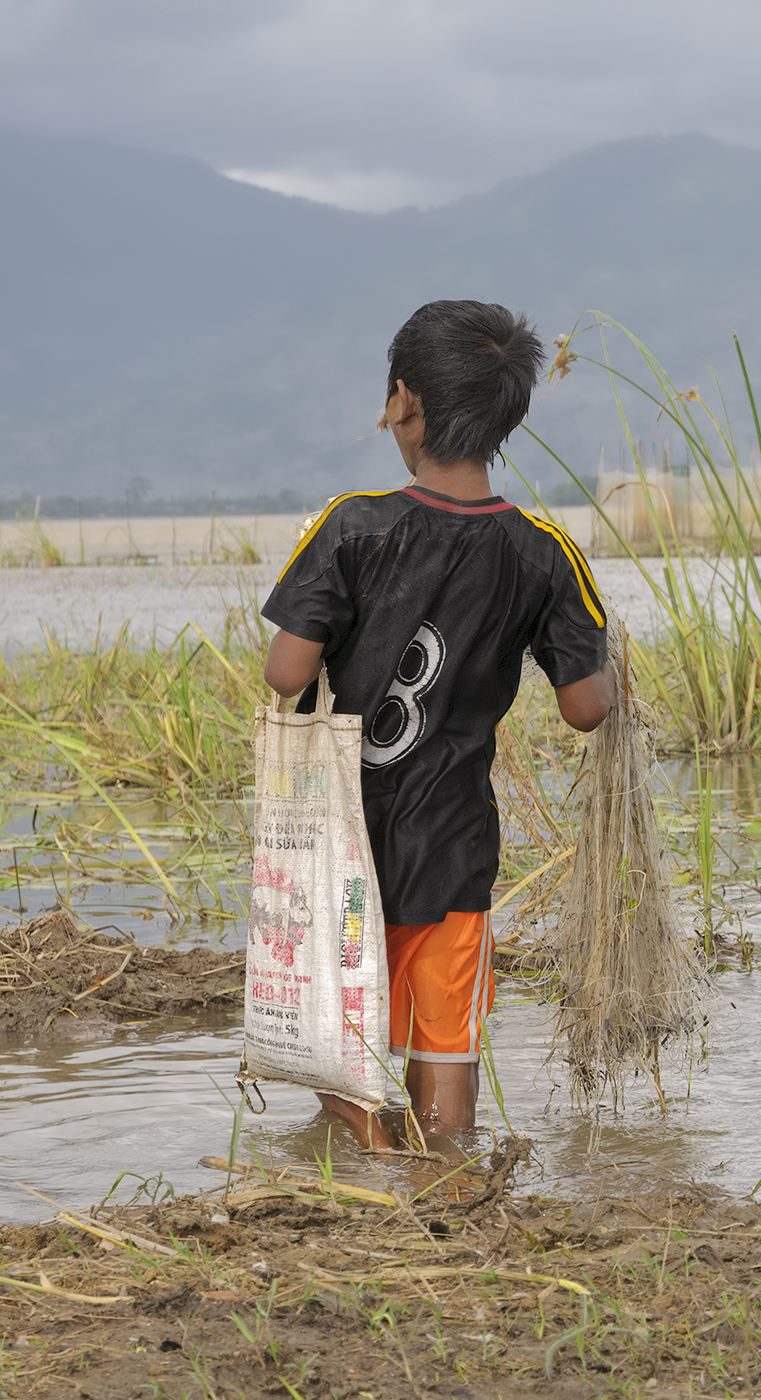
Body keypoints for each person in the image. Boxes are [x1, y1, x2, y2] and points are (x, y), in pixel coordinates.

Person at [261, 300, 614, 1148]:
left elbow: (286, 673)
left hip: (345, 837)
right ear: (508, 415)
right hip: (454, 845)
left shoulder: (352, 525)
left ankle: (362, 1169)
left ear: (402, 402)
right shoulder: (542, 550)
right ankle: (443, 1179)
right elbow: (586, 708)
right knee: (444, 1048)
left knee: (341, 1036)